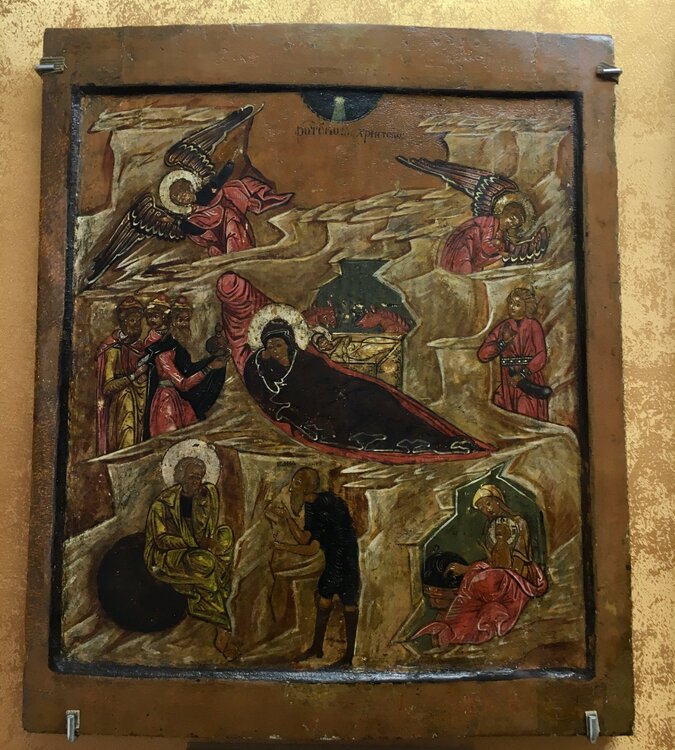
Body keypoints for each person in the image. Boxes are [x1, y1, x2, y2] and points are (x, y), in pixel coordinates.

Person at [242, 316, 486, 460]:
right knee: (369, 427)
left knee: (383, 402)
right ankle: (429, 445)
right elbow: (272, 400)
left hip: (348, 394)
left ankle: (442, 440)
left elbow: (332, 378)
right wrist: (259, 361)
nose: (275, 350)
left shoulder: (307, 361)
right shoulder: (264, 370)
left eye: (279, 344)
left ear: (289, 343)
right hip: (327, 414)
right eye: (270, 346)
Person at [413, 484, 547, 647]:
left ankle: (454, 630)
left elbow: (516, 562)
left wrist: (475, 569)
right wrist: (473, 568)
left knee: (480, 580)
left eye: (488, 504)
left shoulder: (519, 523)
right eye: (482, 508)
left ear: (498, 501)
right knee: (475, 579)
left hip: (517, 577)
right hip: (500, 574)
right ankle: (455, 628)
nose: (486, 510)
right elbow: (493, 561)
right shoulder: (490, 527)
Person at [144, 456, 236, 658]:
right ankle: (222, 626)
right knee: (205, 561)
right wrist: (194, 544)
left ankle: (215, 585)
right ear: (180, 476)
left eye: (200, 477)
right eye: (192, 476)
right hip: (167, 555)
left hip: (196, 548)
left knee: (225, 535)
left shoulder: (204, 496)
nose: (196, 481)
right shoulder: (162, 504)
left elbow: (207, 529)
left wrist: (205, 539)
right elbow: (161, 540)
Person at [271, 468, 360, 668]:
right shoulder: (311, 507)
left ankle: (348, 657)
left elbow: (311, 548)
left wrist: (283, 546)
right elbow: (305, 538)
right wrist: (287, 517)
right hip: (332, 561)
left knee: (348, 603)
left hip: (346, 561)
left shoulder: (328, 504)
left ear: (305, 486)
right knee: (324, 599)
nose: (291, 489)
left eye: (296, 483)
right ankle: (317, 647)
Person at [142, 294, 228, 438]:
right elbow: (183, 384)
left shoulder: (176, 348)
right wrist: (210, 367)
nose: (184, 325)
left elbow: (188, 370)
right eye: (180, 320)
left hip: (178, 399)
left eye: (187, 320)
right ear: (171, 322)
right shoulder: (164, 354)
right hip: (166, 402)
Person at [172, 159, 293, 257]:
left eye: (184, 194)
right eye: (181, 199)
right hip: (217, 235)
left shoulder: (205, 193)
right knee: (218, 248)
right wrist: (178, 222)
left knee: (233, 224)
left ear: (189, 189)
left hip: (228, 218)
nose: (185, 198)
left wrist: (228, 167)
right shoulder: (192, 216)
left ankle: (239, 251)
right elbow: (197, 230)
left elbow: (218, 183)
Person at [477, 287, 550, 421]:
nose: (512, 307)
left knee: (526, 413)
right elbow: (483, 354)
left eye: (517, 304)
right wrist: (502, 343)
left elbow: (541, 356)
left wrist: (522, 374)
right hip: (508, 380)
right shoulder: (503, 327)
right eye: (511, 303)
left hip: (528, 379)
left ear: (526, 307)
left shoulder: (533, 325)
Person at [96, 296, 147, 455]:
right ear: (123, 322)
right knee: (126, 397)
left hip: (142, 403)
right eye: (132, 320)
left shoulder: (140, 347)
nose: (136, 325)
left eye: (138, 321)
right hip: (123, 406)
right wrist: (133, 376)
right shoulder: (113, 349)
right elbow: (107, 387)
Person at [439, 203, 526, 274]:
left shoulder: (500, 233)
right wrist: (501, 253)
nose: (511, 224)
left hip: (475, 253)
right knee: (474, 231)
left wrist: (501, 248)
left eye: (514, 225)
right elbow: (485, 245)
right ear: (504, 212)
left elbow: (496, 247)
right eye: (511, 219)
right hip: (463, 245)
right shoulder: (489, 222)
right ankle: (462, 268)